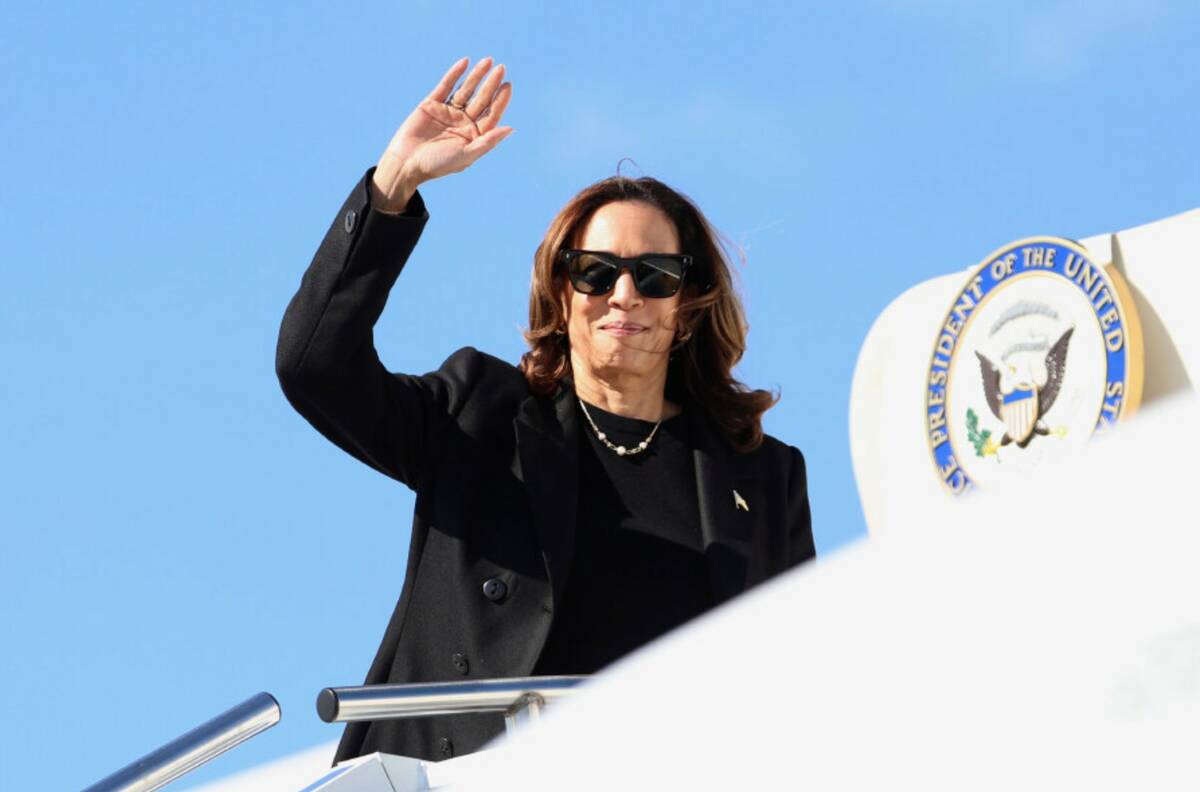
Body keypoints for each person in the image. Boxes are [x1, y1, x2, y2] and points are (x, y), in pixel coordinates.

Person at [276, 56, 815, 764]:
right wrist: (394, 186)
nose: (624, 294)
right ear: (561, 294)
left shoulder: (763, 477)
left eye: (654, 277)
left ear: (686, 308)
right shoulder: (479, 416)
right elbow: (314, 366)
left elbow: (802, 677)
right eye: (596, 271)